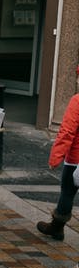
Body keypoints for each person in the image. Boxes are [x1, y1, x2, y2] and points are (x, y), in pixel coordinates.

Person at [35, 65, 79, 240]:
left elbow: (67, 131)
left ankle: (57, 226)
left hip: (76, 159)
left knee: (68, 191)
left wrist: (56, 157)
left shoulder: (77, 100)